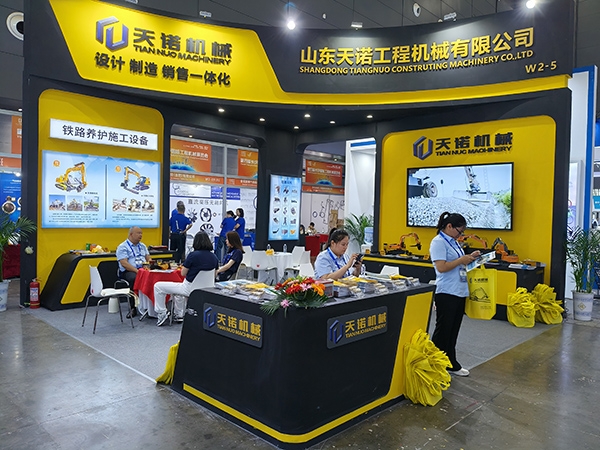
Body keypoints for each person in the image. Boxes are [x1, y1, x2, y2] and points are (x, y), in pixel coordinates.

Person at [429, 212, 481, 377]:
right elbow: (441, 267)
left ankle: (450, 362)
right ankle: (435, 363)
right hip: (447, 291)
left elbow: (458, 263)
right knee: (443, 330)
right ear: (449, 226)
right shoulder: (438, 242)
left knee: (453, 330)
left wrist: (470, 258)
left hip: (459, 291)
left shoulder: (454, 242)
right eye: (459, 231)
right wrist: (461, 260)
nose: (461, 235)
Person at [153, 231, 219, 326]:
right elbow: (215, 275)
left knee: (158, 286)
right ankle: (179, 314)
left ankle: (161, 312)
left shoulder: (193, 255)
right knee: (178, 291)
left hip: (189, 288)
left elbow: (183, 273)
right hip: (207, 289)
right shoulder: (214, 257)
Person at [116, 226, 151, 318]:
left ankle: (150, 306)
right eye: (138, 233)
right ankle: (133, 307)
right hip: (128, 271)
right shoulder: (123, 247)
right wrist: (137, 271)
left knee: (154, 276)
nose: (141, 235)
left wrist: (148, 265)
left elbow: (148, 258)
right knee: (134, 279)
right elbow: (124, 263)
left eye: (141, 233)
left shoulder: (143, 246)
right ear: (131, 234)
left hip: (143, 270)